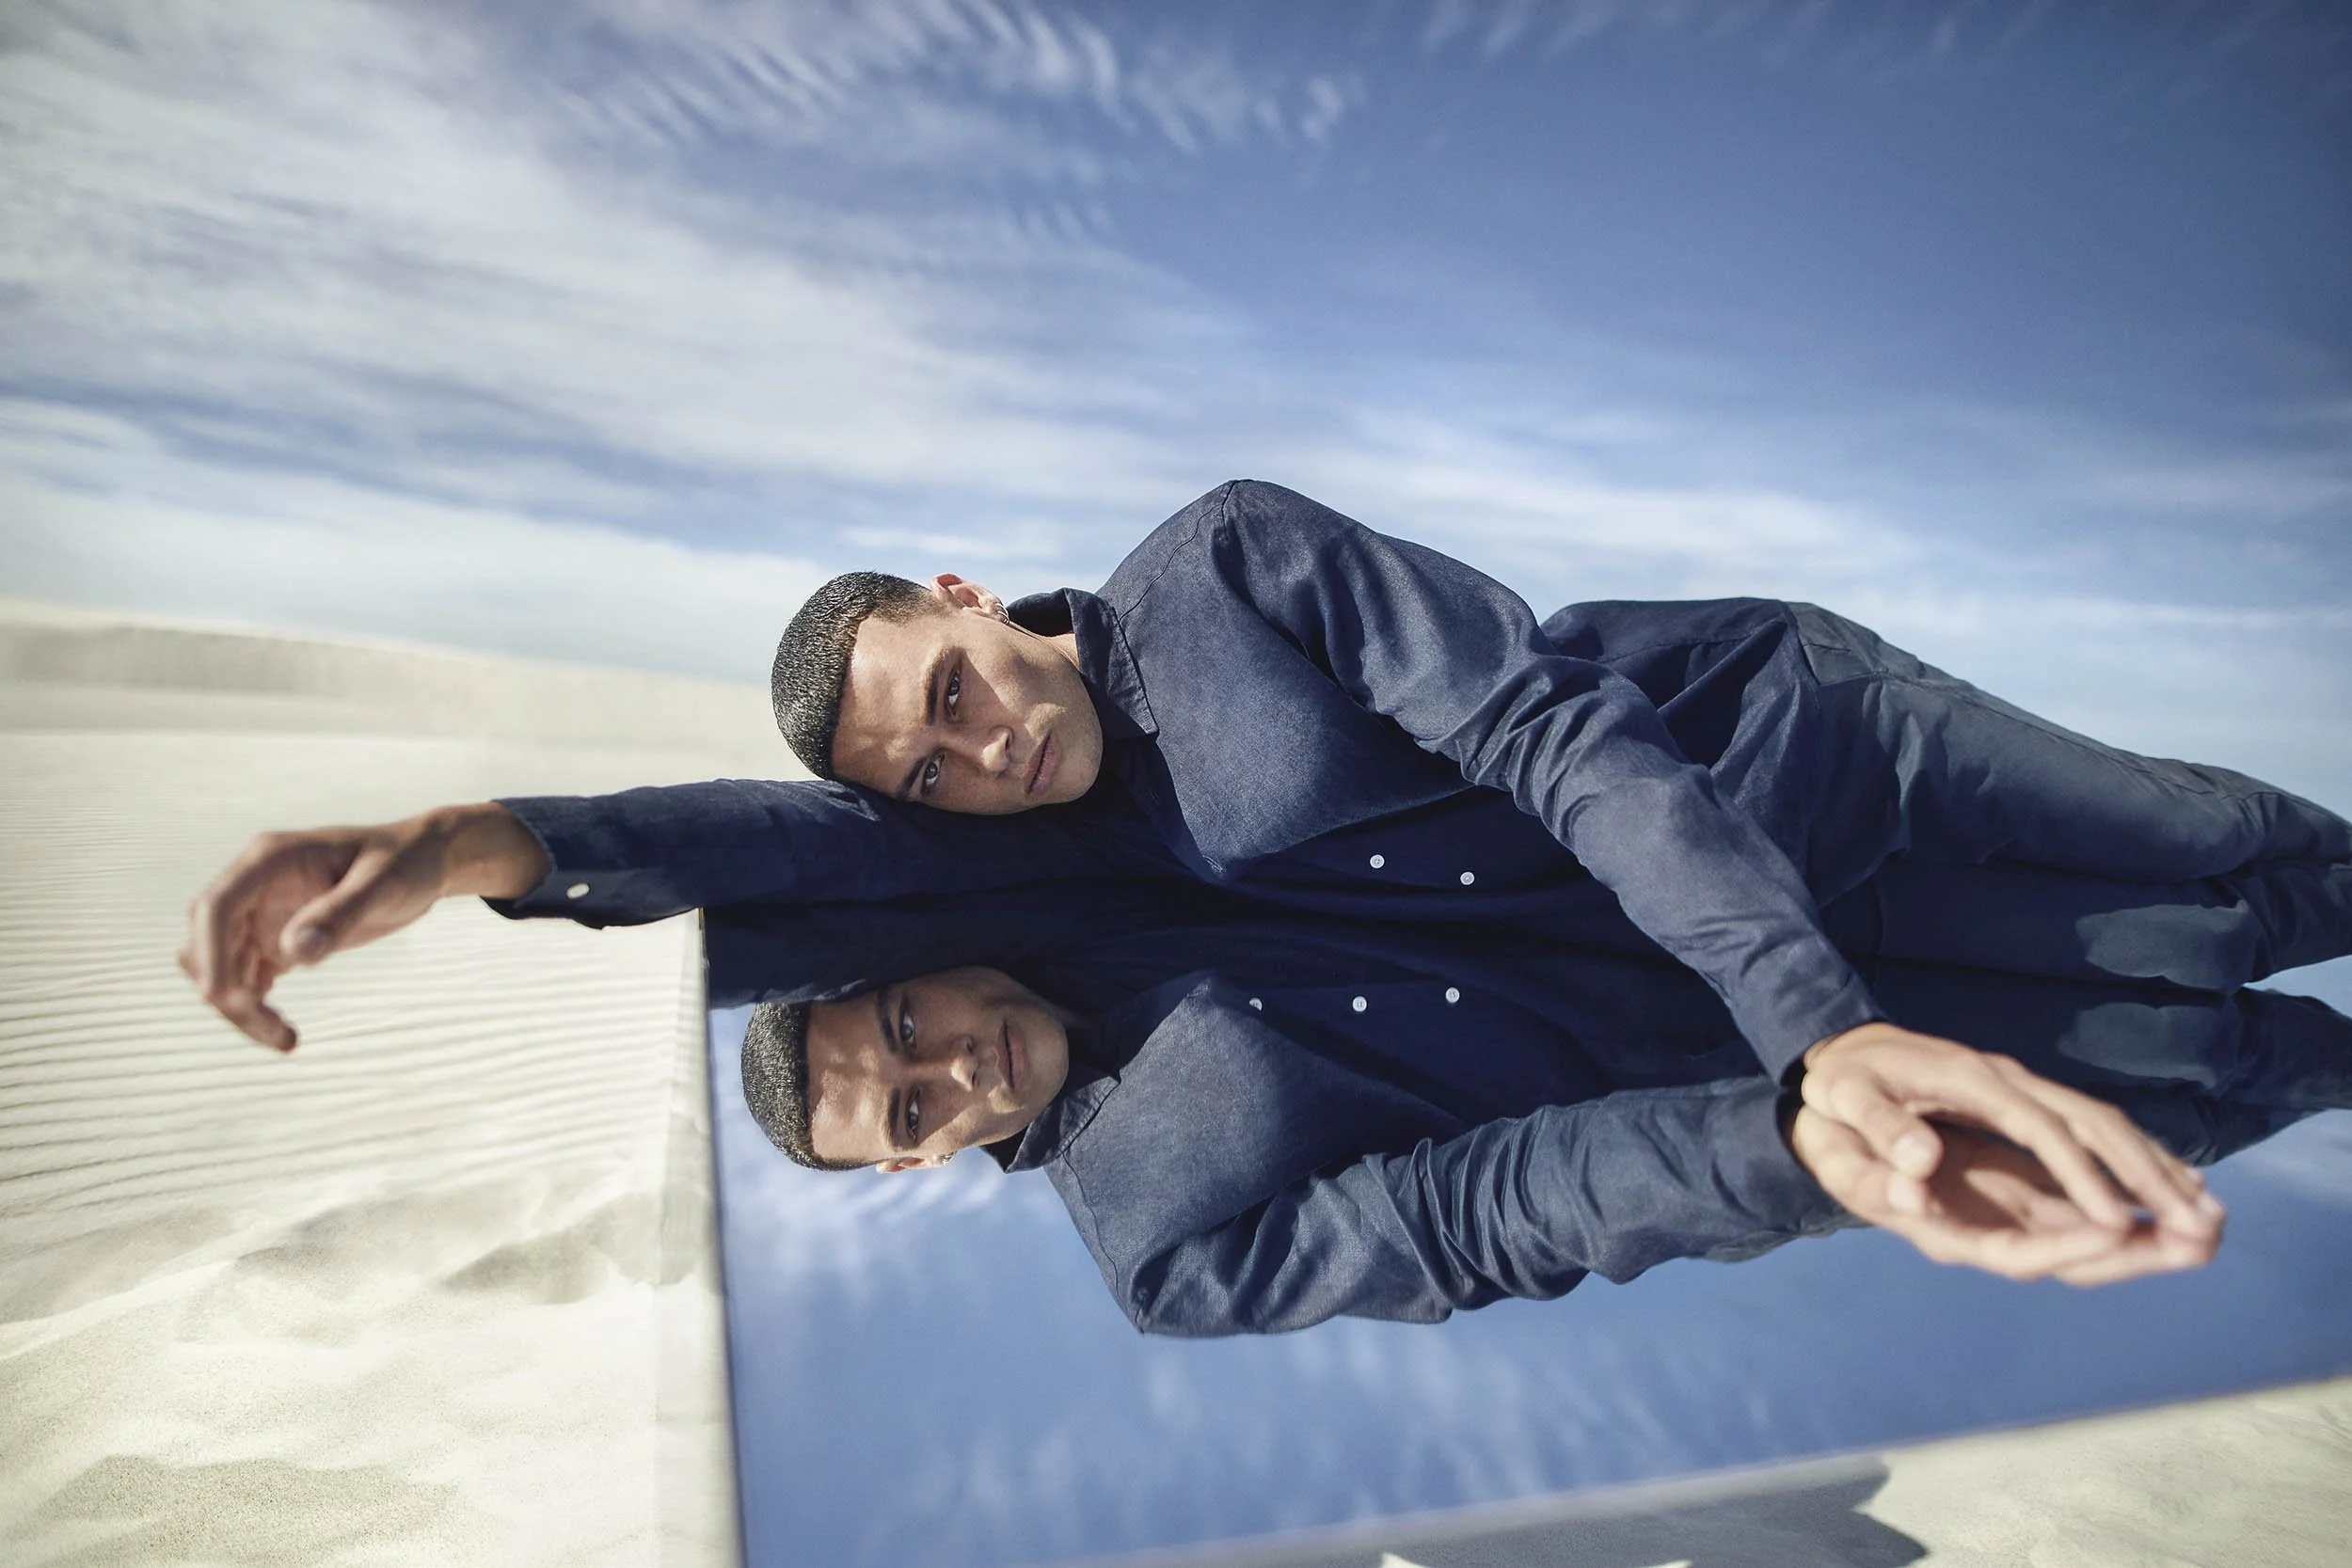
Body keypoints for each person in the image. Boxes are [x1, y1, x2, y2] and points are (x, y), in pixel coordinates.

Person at [183, 804, 2279, 1316]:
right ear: (915, 1161)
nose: (948, 1060)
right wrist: (1791, 1143)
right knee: (2255, 1070)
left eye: (904, 1019)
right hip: (1820, 1085)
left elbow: (777, 851)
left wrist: (484, 850)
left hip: (1811, 877)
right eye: (909, 1104)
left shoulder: (1068, 873)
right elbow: (1481, 1218)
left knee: (2252, 878)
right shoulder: (1168, 1245)